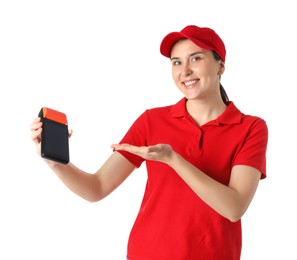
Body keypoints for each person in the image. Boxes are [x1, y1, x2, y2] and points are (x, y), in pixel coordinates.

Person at [30, 25, 268, 260]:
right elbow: (97, 188)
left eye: (195, 58)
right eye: (176, 62)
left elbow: (234, 208)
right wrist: (55, 163)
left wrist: (173, 159)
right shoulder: (152, 121)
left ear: (220, 66)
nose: (184, 71)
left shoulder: (250, 128)